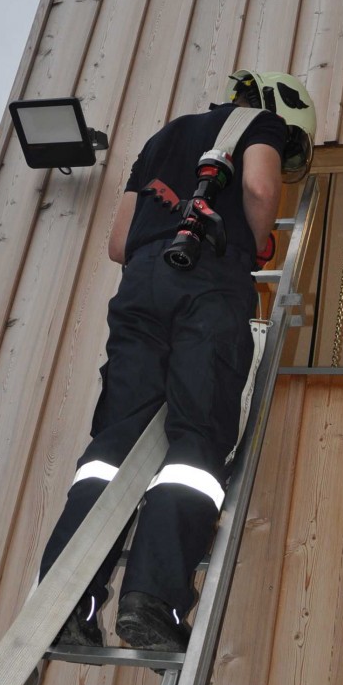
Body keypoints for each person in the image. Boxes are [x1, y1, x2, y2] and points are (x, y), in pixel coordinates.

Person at [38, 70, 317, 653]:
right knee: (195, 441)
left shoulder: (162, 137)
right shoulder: (259, 123)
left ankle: (64, 601)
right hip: (208, 288)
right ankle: (152, 601)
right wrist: (252, 242)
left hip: (141, 285)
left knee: (113, 444)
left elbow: (118, 243)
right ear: (278, 108)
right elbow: (260, 188)